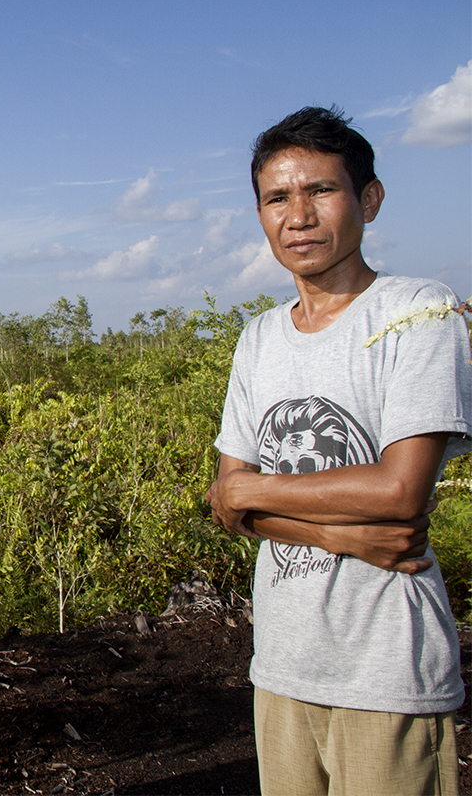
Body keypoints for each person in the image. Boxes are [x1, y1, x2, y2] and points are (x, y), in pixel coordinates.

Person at [206, 106, 470, 795]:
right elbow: (223, 505)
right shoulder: (259, 338)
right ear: (261, 214)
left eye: (321, 190)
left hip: (388, 670)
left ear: (369, 200)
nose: (299, 215)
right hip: (283, 666)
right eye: (277, 197)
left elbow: (399, 492)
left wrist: (250, 491)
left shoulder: (419, 314)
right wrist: (337, 532)